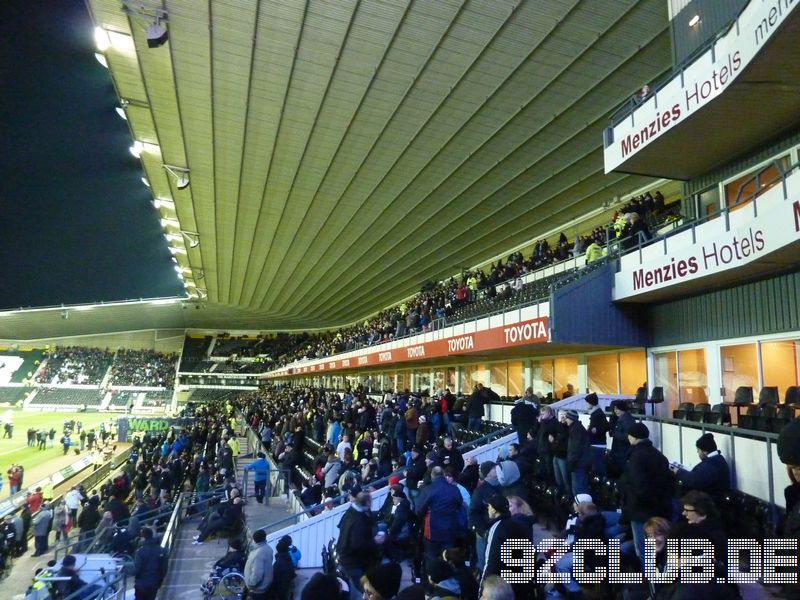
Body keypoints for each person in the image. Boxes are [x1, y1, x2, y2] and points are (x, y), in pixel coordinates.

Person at [618, 422, 674, 564]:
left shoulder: (636, 457)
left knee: (643, 551)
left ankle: (652, 584)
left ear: (633, 437)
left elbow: (638, 486)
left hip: (640, 511)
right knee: (657, 550)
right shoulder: (660, 456)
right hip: (659, 509)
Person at [481, 495, 533, 600]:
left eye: (489, 506)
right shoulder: (517, 525)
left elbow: (491, 560)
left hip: (501, 585)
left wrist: (482, 589)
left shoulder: (497, 528)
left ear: (495, 510)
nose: (487, 508)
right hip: (520, 584)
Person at [416, 466, 466, 560]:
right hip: (450, 529)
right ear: (443, 474)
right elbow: (459, 503)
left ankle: (434, 573)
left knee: (432, 557)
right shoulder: (454, 489)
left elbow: (419, 510)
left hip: (433, 530)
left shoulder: (428, 490)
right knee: (450, 557)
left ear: (432, 476)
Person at [336, 488, 379, 599]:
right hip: (353, 562)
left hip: (347, 559)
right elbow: (357, 544)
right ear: (368, 503)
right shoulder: (358, 520)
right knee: (365, 590)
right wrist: (375, 541)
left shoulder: (350, 513)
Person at [671, 432, 730, 506]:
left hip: (708, 504)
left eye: (698, 450)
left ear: (705, 451)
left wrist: (678, 472)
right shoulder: (716, 460)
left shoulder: (712, 464)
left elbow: (694, 480)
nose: (697, 452)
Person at [133, 527, 168, 600]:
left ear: (143, 537)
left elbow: (137, 570)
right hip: (154, 584)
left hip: (141, 585)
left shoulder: (140, 552)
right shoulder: (162, 551)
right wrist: (159, 582)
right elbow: (164, 569)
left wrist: (126, 571)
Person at [564, 410, 591, 495]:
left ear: (571, 418)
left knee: (579, 488)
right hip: (579, 462)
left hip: (578, 463)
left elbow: (575, 449)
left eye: (567, 418)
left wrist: (571, 463)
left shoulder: (576, 430)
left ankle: (582, 506)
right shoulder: (575, 428)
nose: (565, 420)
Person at [244, 529, 274, 600]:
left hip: (257, 590)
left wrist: (250, 584)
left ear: (254, 539)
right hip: (265, 587)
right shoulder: (268, 548)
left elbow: (257, 574)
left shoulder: (259, 553)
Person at [584, 393, 609, 475]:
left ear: (591, 403)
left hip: (598, 444)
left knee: (598, 468)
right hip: (596, 444)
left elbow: (605, 427)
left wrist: (595, 430)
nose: (586, 404)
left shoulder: (598, 414)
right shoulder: (595, 413)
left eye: (587, 402)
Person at [269, 535, 297, 600]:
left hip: (281, 593)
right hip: (286, 590)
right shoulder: (287, 559)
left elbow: (282, 582)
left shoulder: (279, 562)